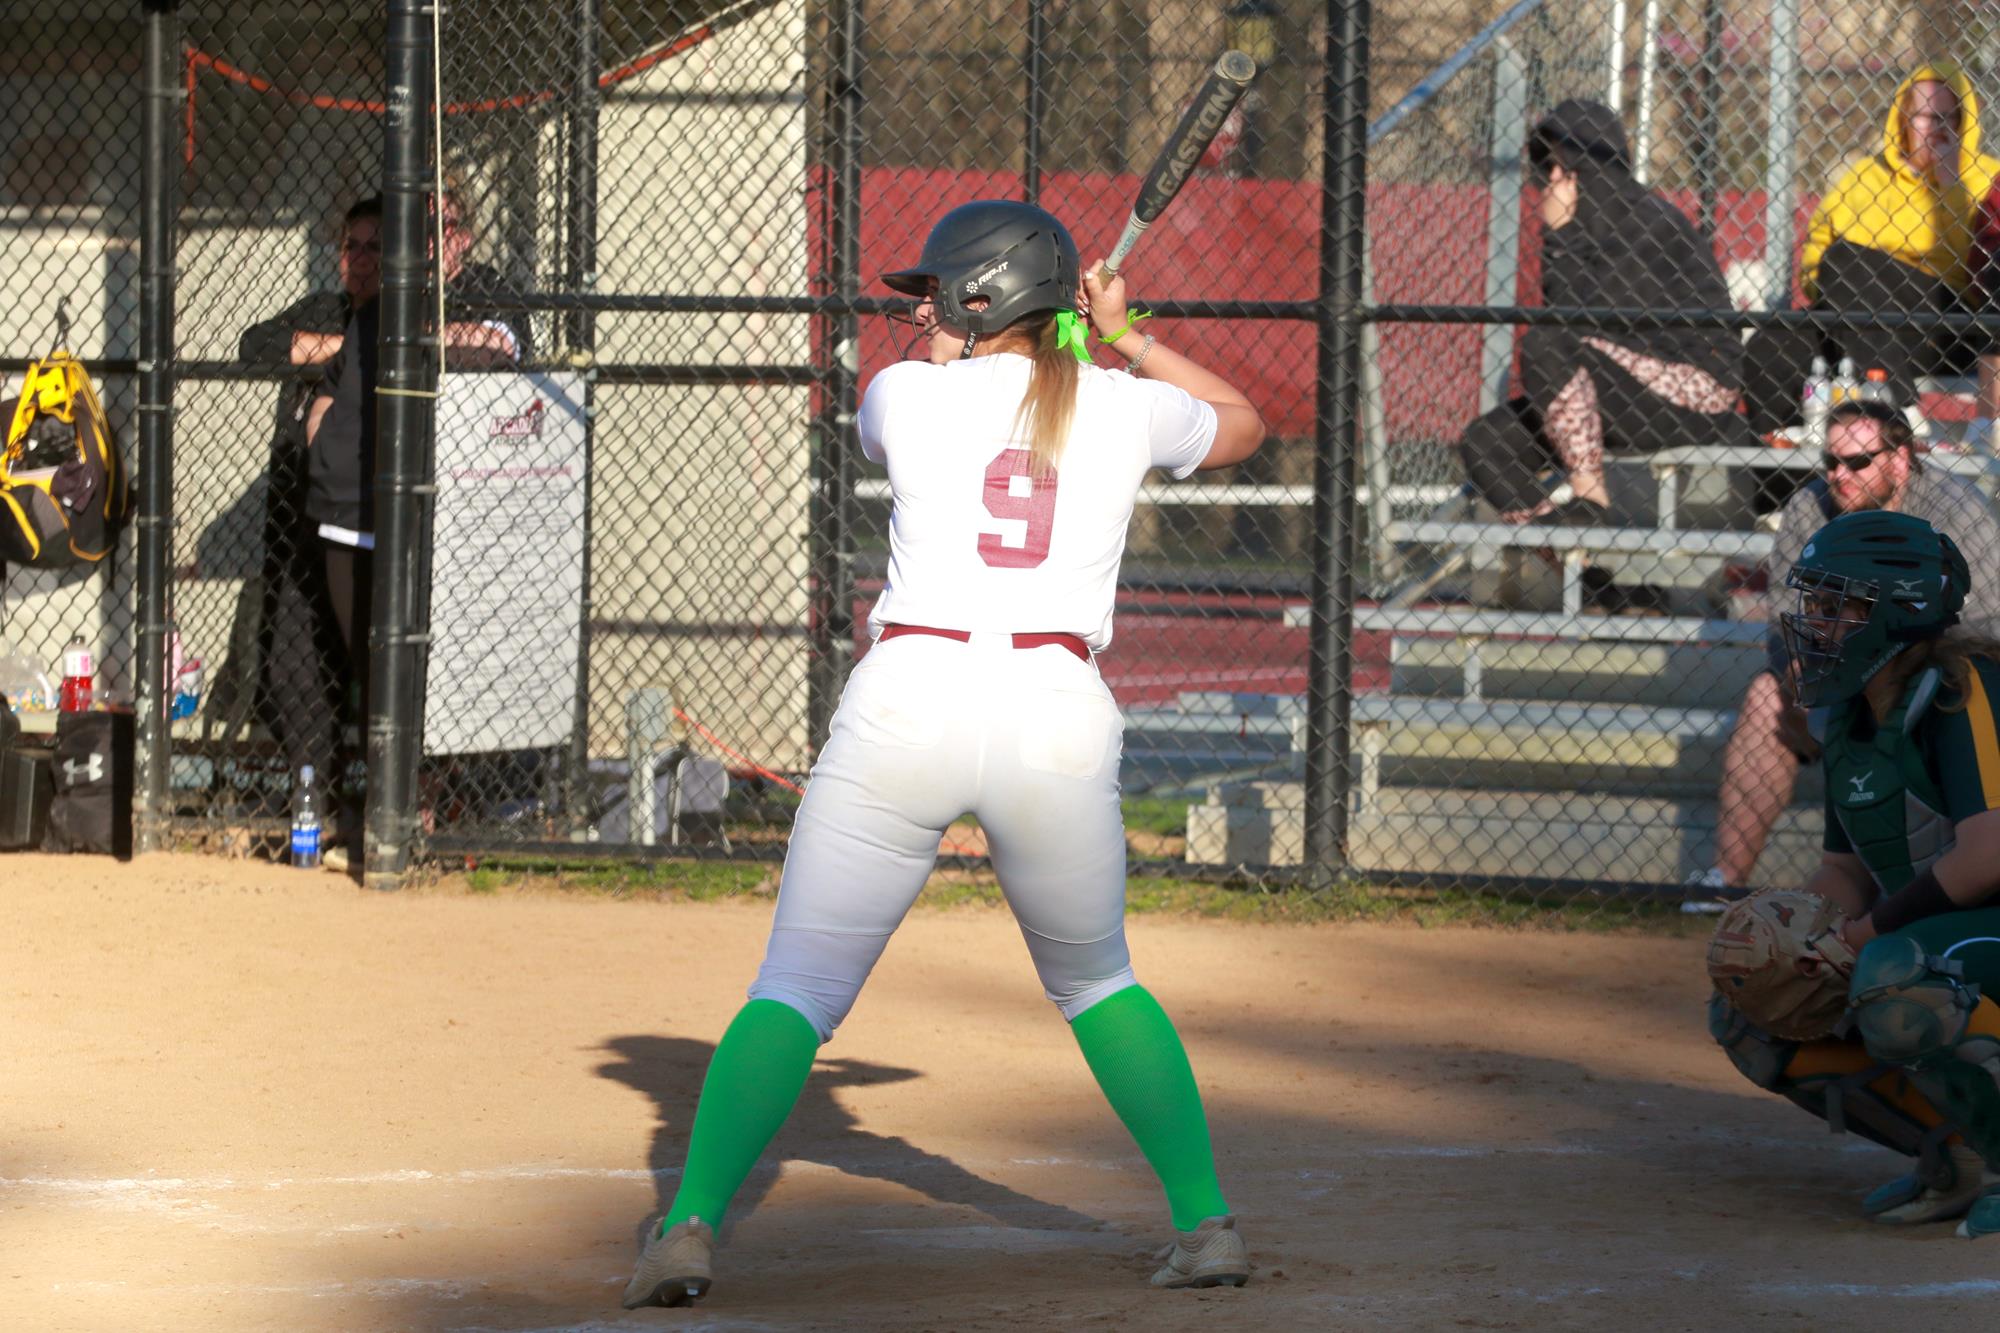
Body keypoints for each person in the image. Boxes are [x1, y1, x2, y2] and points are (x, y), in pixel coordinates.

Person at [620, 200, 1268, 1309]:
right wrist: (1124, 336)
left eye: (933, 297)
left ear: (981, 298)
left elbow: (974, 394)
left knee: (797, 987)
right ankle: (1206, 1222)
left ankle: (687, 1226)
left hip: (908, 705)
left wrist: (1066, 340)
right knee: (1097, 981)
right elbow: (1243, 423)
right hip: (1054, 713)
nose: (916, 316)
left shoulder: (900, 396)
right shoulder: (1121, 403)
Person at [1708, 509, 2000, 1236]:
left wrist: (1861, 937)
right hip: (1950, 934)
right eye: (1815, 602)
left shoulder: (1962, 688)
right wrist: (1797, 935)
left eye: (1839, 605)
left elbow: (1988, 854)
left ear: (1900, 609)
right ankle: (1962, 1153)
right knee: (1755, 1008)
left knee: (1897, 978)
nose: (1816, 622)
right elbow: (1845, 870)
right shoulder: (1850, 713)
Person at [1695, 400, 2000, 900]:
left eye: (1858, 461)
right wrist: (1797, 671)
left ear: (1900, 459)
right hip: (1849, 673)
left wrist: (1897, 665)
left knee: (1955, 692)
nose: (1840, 474)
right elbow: (1784, 619)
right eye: (1831, 461)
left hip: (1932, 675)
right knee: (1767, 698)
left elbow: (1986, 627)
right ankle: (1723, 884)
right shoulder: (1810, 506)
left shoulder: (1954, 510)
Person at [303, 181, 528, 858]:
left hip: (444, 522)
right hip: (352, 512)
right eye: (419, 228)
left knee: (431, 665)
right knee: (371, 664)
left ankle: (422, 804)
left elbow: (499, 345)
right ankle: (388, 806)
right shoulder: (378, 303)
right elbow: (331, 380)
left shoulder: (485, 291)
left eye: (444, 227)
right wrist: (322, 439)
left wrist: (417, 333)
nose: (430, 241)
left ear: (464, 238)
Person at [1458, 99, 1751, 525]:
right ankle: (1570, 558)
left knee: (1547, 342)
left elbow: (1584, 323)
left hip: (1691, 390)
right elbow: (1578, 327)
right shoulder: (1584, 229)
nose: (1551, 180)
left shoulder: (1645, 221)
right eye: (1547, 168)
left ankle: (1590, 497)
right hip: (1615, 384)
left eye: (1563, 168)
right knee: (1485, 442)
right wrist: (1564, 239)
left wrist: (1561, 239)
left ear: (1589, 167)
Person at [1744, 64, 2000, 434]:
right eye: (1924, 116)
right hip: (1858, 313)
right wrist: (1841, 292)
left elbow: (1979, 270)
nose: (1937, 127)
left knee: (1848, 260)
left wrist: (1950, 187)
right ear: (1902, 119)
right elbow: (1817, 255)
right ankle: (1788, 463)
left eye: (1948, 117)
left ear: (1965, 122)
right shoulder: (1865, 177)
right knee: (1769, 346)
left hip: (1945, 319)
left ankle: (1898, 409)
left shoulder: (1985, 176)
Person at [231, 194, 380, 801]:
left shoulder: (405, 319)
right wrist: (344, 352)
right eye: (351, 247)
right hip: (302, 512)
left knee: (370, 661)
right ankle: (312, 791)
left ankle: (387, 796)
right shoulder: (326, 308)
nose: (360, 261)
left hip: (365, 514)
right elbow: (255, 345)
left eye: (374, 248)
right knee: (293, 663)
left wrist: (338, 357)